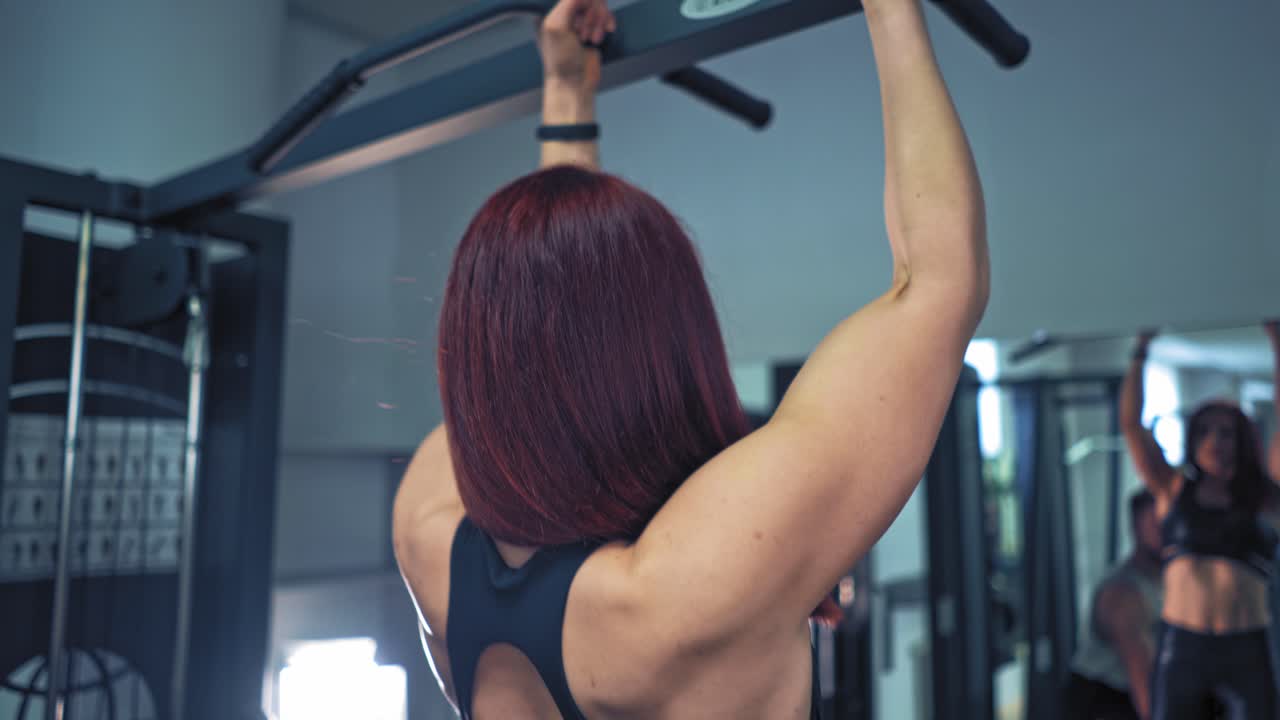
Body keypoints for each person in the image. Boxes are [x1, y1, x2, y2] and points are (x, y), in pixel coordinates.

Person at [391, 0, 989, 715]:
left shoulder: (424, 526)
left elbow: (547, 343)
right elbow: (937, 283)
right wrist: (893, 12)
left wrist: (567, 98)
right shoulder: (690, 586)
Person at [1121, 325, 1280, 720]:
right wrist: (1140, 352)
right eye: (1206, 431)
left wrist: (1277, 345)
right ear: (1193, 440)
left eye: (1226, 433)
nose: (1215, 441)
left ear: (1242, 441)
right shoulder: (1172, 489)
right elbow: (1131, 427)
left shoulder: (1262, 497)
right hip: (1184, 646)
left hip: (1246, 646)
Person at [1065, 490, 1165, 720]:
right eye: (1156, 524)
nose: (1166, 531)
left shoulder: (1173, 584)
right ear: (1136, 528)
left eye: (1170, 521)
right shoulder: (1123, 595)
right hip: (1106, 701)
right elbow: (1147, 694)